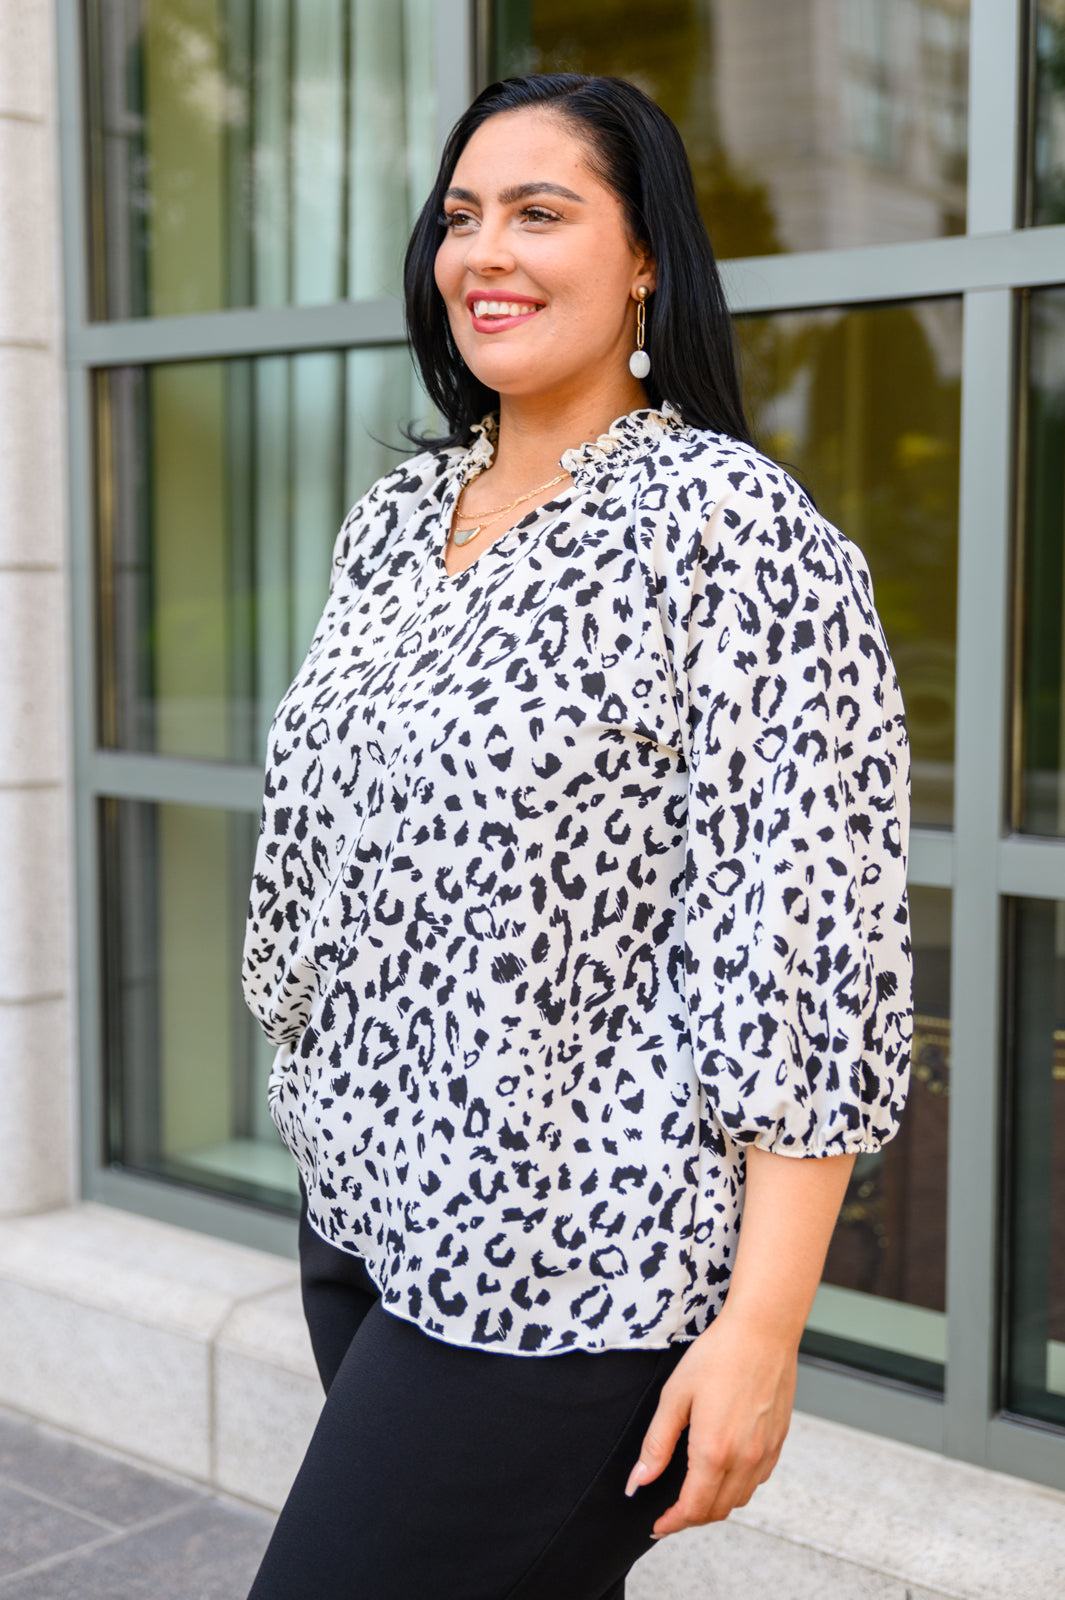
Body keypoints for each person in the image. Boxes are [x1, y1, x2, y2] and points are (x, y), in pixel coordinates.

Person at [241, 72, 912, 1600]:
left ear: (646, 261)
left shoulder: (732, 533)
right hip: (363, 1211)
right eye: (462, 215)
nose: (486, 249)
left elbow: (801, 941)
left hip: (576, 1271)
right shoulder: (401, 517)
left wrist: (757, 1334)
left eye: (543, 211)